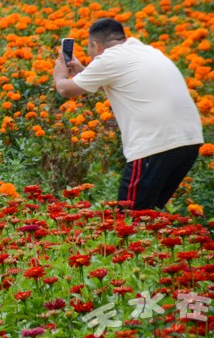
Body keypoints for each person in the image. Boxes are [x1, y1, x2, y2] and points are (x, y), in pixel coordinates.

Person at [53, 18, 203, 210]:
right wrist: (83, 71)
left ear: (95, 45)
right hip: (188, 141)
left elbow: (65, 89)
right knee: (150, 214)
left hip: (154, 145)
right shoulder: (146, 51)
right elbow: (121, 83)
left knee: (129, 216)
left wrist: (60, 74)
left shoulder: (109, 59)